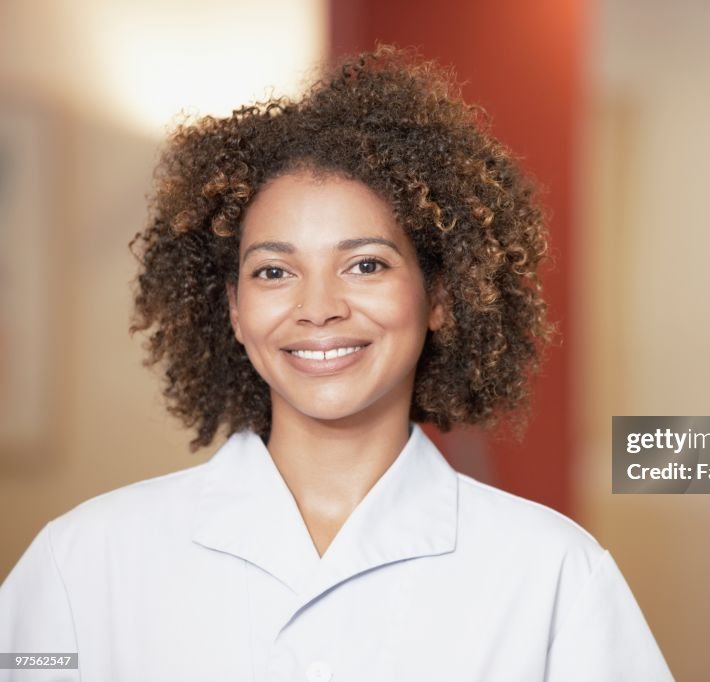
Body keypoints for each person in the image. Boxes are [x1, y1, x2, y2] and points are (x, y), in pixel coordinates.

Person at [0, 46, 673, 681]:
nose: (318, 308)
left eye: (366, 264)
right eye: (273, 271)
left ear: (439, 295)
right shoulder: (83, 561)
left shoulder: (555, 574)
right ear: (233, 309)